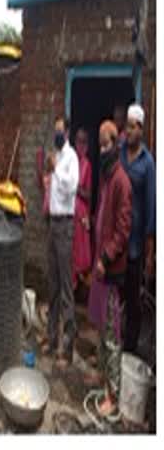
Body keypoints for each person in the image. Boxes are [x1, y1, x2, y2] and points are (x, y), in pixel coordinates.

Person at [84, 121, 132, 414]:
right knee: (102, 326)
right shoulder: (106, 178)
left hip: (112, 270)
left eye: (106, 144)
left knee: (113, 334)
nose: (103, 149)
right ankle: (103, 375)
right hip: (101, 266)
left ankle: (113, 397)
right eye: (100, 144)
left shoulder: (121, 182)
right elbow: (104, 218)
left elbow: (123, 231)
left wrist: (104, 258)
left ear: (117, 144)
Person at [41, 115, 80, 369]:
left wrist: (56, 171)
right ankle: (51, 336)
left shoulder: (71, 158)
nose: (56, 135)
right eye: (54, 130)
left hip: (65, 225)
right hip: (52, 224)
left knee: (66, 286)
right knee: (52, 283)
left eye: (59, 131)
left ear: (67, 132)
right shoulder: (55, 155)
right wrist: (48, 178)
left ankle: (67, 347)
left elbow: (72, 187)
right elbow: (53, 191)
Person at [120, 103, 156, 354]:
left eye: (133, 127)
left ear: (141, 129)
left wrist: (150, 251)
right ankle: (116, 346)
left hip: (134, 244)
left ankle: (129, 352)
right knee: (117, 298)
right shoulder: (120, 154)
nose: (129, 131)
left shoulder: (148, 163)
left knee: (133, 301)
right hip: (118, 241)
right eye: (127, 126)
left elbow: (152, 207)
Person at [73, 128, 93, 289]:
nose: (80, 146)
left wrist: (77, 189)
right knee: (71, 252)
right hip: (71, 215)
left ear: (86, 145)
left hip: (81, 215)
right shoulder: (71, 161)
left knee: (81, 255)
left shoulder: (87, 165)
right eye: (78, 141)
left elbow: (88, 194)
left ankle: (81, 289)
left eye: (83, 142)